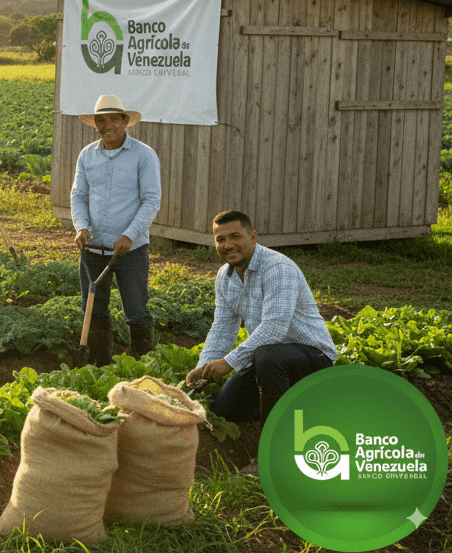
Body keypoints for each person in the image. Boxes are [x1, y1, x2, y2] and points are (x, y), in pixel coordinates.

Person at [186, 210, 337, 425]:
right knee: (224, 410)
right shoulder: (224, 276)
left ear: (253, 237)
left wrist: (228, 362)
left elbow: (275, 329)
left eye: (235, 236)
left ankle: (274, 441)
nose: (228, 245)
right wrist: (203, 368)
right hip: (266, 362)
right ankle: (283, 404)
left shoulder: (277, 268)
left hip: (312, 359)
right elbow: (222, 328)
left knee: (269, 355)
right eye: (221, 239)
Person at [70, 94, 161, 365]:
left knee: (136, 310)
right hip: (93, 248)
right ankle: (100, 365)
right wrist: (81, 227)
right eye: (101, 120)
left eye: (113, 119)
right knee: (95, 309)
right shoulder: (87, 155)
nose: (107, 125)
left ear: (124, 121)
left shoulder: (144, 155)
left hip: (129, 250)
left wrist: (129, 235)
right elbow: (78, 196)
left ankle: (145, 367)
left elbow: (151, 200)